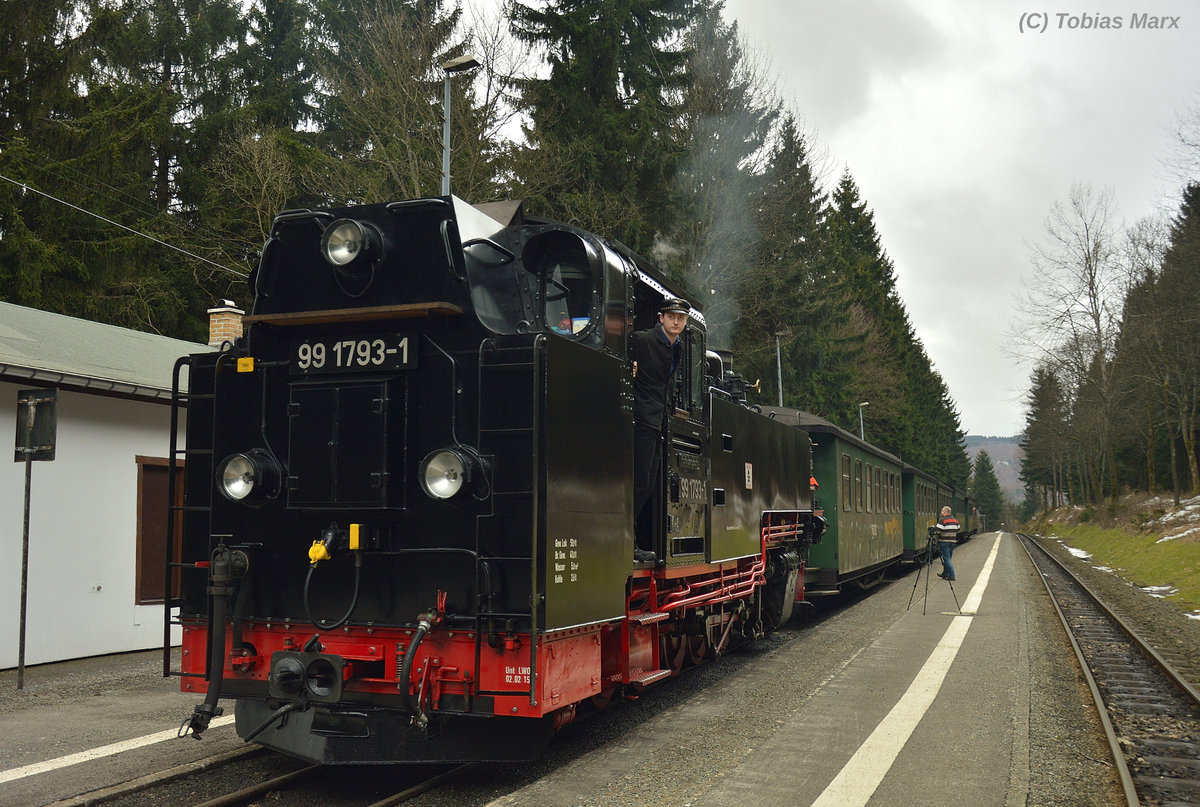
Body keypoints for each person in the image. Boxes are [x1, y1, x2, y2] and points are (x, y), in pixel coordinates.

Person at [628, 298, 689, 563]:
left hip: (658, 419)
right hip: (640, 417)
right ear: (661, 317)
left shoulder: (678, 347)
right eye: (672, 316)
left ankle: (633, 540)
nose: (676, 322)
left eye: (681, 318)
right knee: (638, 481)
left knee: (648, 483)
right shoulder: (641, 341)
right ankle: (627, 541)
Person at [935, 505, 960, 581]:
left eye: (942, 511)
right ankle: (945, 574)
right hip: (952, 542)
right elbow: (958, 529)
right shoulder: (955, 520)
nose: (941, 512)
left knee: (947, 559)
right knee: (948, 558)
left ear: (945, 512)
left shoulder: (942, 520)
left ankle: (952, 575)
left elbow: (938, 531)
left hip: (944, 542)